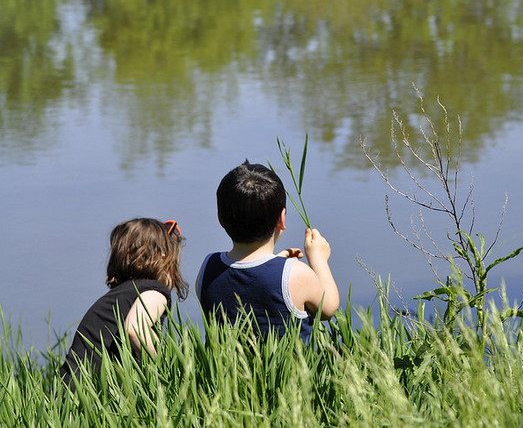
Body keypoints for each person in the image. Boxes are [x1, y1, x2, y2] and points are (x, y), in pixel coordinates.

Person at [196, 160, 340, 342]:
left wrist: (277, 263)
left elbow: (247, 285)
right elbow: (328, 309)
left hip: (226, 361)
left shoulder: (208, 267)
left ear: (220, 220)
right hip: (288, 363)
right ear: (281, 218)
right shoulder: (296, 274)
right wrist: (318, 259)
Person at [59, 218, 189, 389]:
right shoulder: (155, 291)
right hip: (91, 396)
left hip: (68, 393)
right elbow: (135, 329)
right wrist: (166, 367)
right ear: (163, 258)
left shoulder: (118, 297)